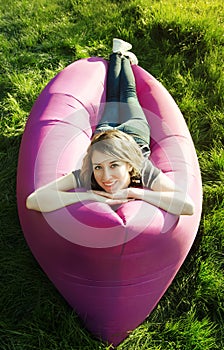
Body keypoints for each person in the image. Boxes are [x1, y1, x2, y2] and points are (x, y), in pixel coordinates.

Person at [26, 39, 194, 216]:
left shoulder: (141, 169)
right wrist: (89, 196)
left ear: (129, 166)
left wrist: (134, 192)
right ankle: (119, 55)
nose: (105, 177)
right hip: (115, 135)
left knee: (127, 94)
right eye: (98, 167)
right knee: (117, 96)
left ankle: (121, 56)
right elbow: (33, 201)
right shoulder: (88, 173)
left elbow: (188, 206)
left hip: (125, 133)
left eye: (114, 165)